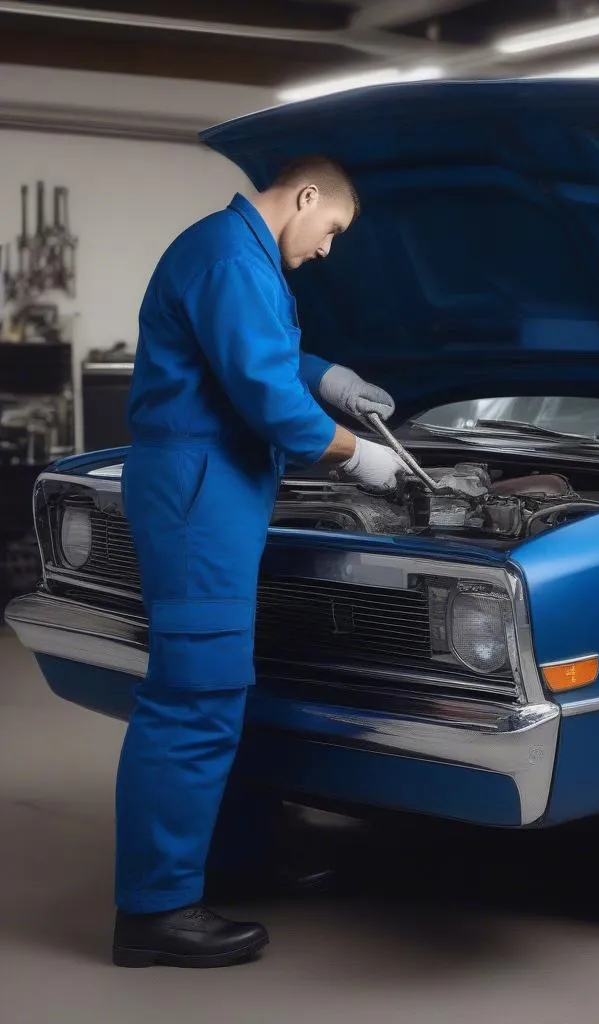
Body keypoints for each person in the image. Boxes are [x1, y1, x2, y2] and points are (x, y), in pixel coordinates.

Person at [111, 156, 407, 969]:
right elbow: (263, 392)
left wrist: (332, 378)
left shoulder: (238, 254)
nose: (328, 249)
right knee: (193, 696)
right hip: (202, 494)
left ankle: (229, 857)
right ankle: (155, 910)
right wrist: (355, 457)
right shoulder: (231, 255)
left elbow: (266, 354)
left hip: (217, 493)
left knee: (228, 688)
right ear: (306, 197)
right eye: (333, 230)